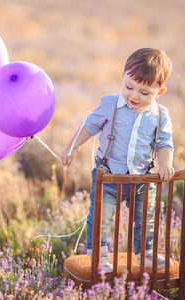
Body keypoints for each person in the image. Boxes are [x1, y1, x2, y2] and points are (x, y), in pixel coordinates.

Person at [61, 48, 175, 272]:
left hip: (142, 178)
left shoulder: (160, 115)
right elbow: (89, 126)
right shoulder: (110, 104)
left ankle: (145, 251)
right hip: (109, 176)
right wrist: (72, 146)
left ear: (159, 92)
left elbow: (164, 143)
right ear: (123, 76)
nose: (134, 96)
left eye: (144, 93)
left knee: (146, 217)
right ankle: (99, 254)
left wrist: (166, 164)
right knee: (101, 216)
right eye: (129, 87)